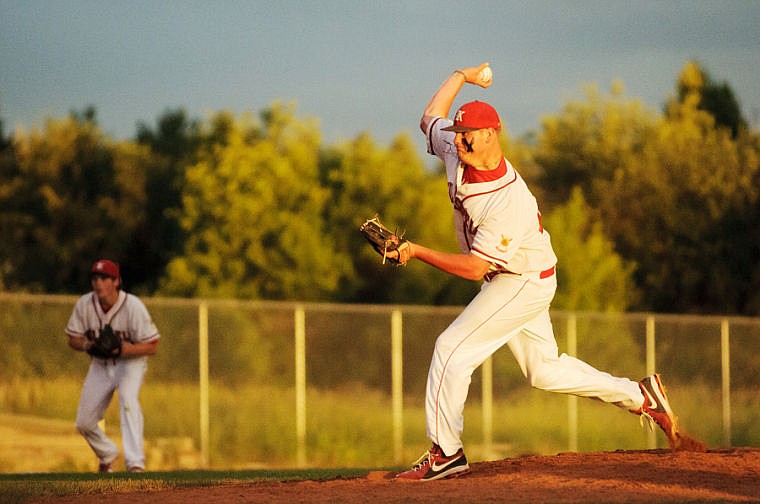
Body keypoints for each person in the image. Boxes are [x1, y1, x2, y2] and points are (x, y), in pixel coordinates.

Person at [390, 63, 681, 481]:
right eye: (459, 132)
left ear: (493, 133)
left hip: (521, 282)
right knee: (543, 369)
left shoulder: (508, 201)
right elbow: (428, 119)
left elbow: (475, 269)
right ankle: (640, 396)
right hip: (518, 276)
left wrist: (416, 251)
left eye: (469, 132)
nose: (461, 139)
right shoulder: (457, 149)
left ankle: (447, 453)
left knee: (451, 349)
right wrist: (460, 75)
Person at [66, 259, 160, 473]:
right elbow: (72, 339)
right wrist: (88, 344)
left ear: (116, 281)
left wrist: (124, 350)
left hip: (130, 364)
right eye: (95, 278)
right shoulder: (85, 304)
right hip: (100, 365)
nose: (98, 283)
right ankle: (107, 453)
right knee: (84, 422)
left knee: (128, 400)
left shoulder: (133, 306)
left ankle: (135, 463)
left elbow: (152, 346)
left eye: (104, 278)